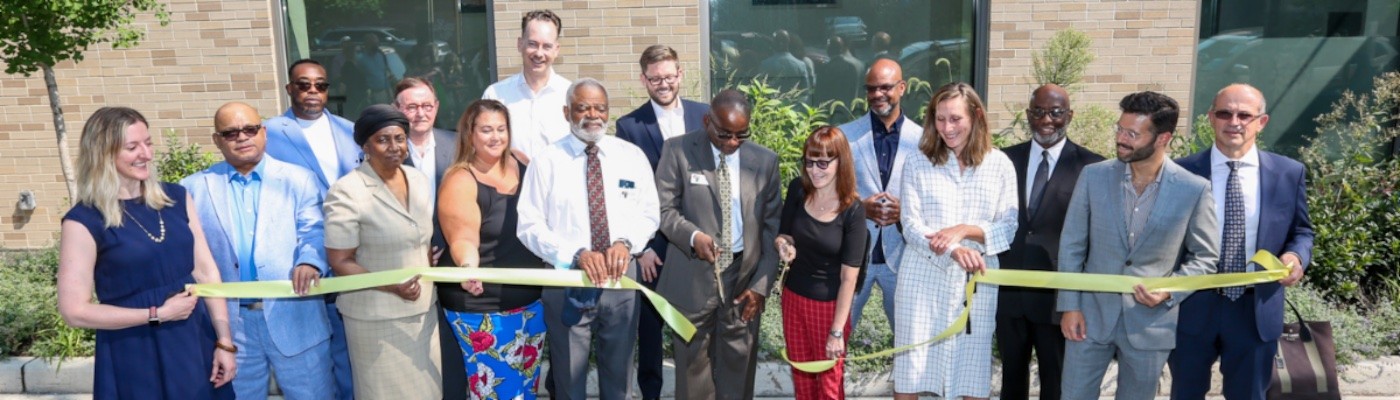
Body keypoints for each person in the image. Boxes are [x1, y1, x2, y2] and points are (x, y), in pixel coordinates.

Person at [57, 106, 236, 399]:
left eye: (148, 143)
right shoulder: (83, 221)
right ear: (103, 154)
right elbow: (74, 311)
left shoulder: (176, 197)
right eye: (132, 147)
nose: (147, 154)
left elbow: (206, 272)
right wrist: (157, 315)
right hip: (135, 351)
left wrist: (225, 341)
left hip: (194, 340)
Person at [1057, 91, 1219, 400]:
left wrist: (1170, 289)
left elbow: (1206, 257)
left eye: (1132, 133)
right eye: (1119, 129)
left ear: (1163, 138)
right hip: (1089, 317)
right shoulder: (1093, 177)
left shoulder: (1193, 189)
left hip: (1151, 324)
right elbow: (1071, 246)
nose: (1121, 139)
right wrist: (1070, 305)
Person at [1170, 84, 1315, 400]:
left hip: (1255, 309)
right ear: (1211, 118)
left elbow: (1302, 231)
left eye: (1244, 115)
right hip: (1193, 306)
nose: (1234, 122)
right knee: (1185, 394)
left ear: (1261, 122)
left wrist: (1296, 257)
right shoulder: (1180, 172)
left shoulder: (1288, 173)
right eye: (1225, 113)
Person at [517, 78, 659, 400]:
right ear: (567, 111)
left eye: (600, 108)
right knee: (568, 381)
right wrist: (576, 253)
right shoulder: (547, 161)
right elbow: (528, 224)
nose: (593, 115)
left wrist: (626, 243)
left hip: (620, 281)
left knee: (619, 378)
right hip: (567, 281)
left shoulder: (631, 156)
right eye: (583, 107)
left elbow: (650, 213)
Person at [183, 102, 335, 400]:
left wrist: (310, 261)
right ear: (217, 140)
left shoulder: (299, 179)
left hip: (296, 316)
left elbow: (314, 229)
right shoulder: (194, 188)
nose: (242, 137)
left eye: (250, 129)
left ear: (263, 133)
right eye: (231, 133)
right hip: (230, 327)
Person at [653, 89, 781, 399]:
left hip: (743, 277)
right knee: (691, 368)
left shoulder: (764, 161)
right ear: (707, 121)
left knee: (738, 365)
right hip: (693, 276)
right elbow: (663, 210)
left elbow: (771, 228)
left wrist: (761, 285)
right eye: (725, 134)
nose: (733, 143)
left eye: (742, 135)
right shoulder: (677, 151)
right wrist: (693, 236)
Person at [893, 82, 1017, 400]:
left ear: (975, 116)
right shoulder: (918, 162)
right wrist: (953, 248)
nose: (947, 128)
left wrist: (965, 230)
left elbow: (1008, 227)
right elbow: (910, 225)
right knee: (911, 371)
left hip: (977, 282)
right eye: (940, 118)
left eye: (955, 119)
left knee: (972, 373)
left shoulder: (1000, 165)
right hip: (922, 282)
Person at [323, 105, 442, 399]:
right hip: (375, 318)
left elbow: (418, 235)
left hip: (423, 312)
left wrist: (425, 257)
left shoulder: (417, 179)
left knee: (429, 392)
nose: (394, 147)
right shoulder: (347, 191)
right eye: (383, 139)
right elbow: (340, 261)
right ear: (365, 145)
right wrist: (392, 285)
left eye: (400, 138)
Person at [995, 84, 1105, 400]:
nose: (1047, 119)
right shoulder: (1004, 160)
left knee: (1055, 383)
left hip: (1059, 300)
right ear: (1028, 115)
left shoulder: (1092, 166)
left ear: (1069, 115)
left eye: (1056, 112)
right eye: (1039, 111)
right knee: (1011, 381)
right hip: (1009, 294)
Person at [614, 44, 711, 400]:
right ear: (644, 80)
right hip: (653, 245)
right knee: (650, 328)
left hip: (699, 239)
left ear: (680, 74)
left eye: (669, 77)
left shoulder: (705, 115)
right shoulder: (629, 126)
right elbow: (627, 191)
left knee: (698, 324)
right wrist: (640, 250)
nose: (664, 84)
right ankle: (651, 394)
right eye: (655, 79)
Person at [434, 99, 549, 399]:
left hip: (529, 302)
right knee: (498, 393)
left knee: (525, 389)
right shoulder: (460, 179)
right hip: (482, 307)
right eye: (486, 130)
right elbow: (462, 237)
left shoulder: (522, 162)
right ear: (469, 134)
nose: (495, 137)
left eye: (501, 129)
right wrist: (467, 267)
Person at [263, 58, 358, 400]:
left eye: (321, 84)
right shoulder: (268, 133)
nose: (313, 91)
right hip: (299, 257)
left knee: (348, 351)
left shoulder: (351, 131)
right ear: (290, 89)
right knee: (311, 359)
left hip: (349, 254)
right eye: (304, 85)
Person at [774, 126, 869, 399]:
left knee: (828, 388)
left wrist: (837, 332)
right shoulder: (798, 189)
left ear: (841, 162)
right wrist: (783, 246)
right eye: (809, 161)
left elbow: (849, 278)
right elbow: (782, 235)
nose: (815, 170)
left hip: (829, 309)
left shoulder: (853, 210)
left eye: (823, 162)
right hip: (793, 301)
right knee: (803, 383)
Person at [837, 58, 921, 332]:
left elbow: (934, 198)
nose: (877, 95)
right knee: (836, 337)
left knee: (909, 342)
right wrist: (859, 206)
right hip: (853, 257)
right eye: (871, 89)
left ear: (902, 88)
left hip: (904, 256)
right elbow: (825, 192)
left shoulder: (925, 141)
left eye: (885, 87)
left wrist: (904, 212)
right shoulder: (845, 137)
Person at [482, 9, 572, 159]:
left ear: (556, 50)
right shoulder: (495, 95)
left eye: (547, 46)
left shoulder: (570, 95)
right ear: (520, 44)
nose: (539, 53)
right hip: (509, 182)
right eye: (532, 44)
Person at [813, 36, 863, 106]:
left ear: (829, 49)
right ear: (841, 49)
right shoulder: (851, 67)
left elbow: (819, 93)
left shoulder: (825, 68)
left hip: (831, 110)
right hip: (848, 109)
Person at [358, 34, 406, 104]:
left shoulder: (380, 55)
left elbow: (387, 71)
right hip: (374, 93)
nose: (376, 46)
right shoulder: (361, 59)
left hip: (387, 91)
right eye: (374, 43)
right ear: (367, 44)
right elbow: (361, 77)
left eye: (377, 43)